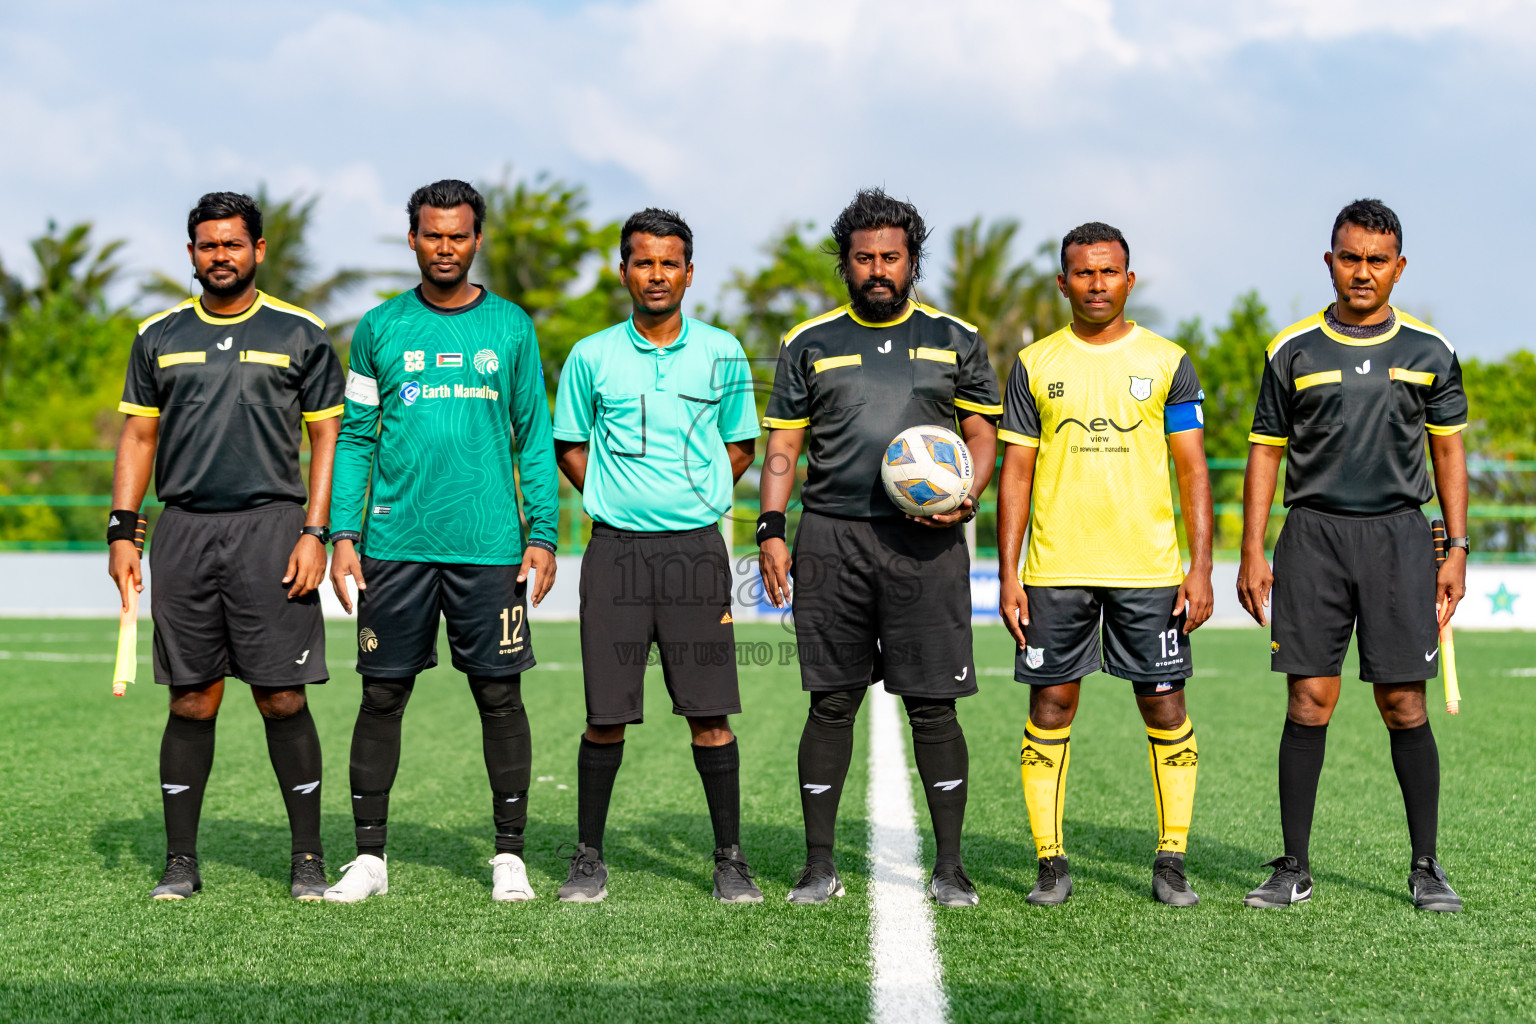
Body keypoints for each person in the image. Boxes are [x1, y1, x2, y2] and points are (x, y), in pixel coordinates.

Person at [758, 188, 1000, 907]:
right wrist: (772, 529)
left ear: (912, 261)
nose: (877, 270)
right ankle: (818, 863)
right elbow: (784, 445)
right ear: (846, 264)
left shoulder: (958, 339)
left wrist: (967, 494)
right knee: (830, 702)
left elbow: (983, 435)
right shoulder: (810, 343)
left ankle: (951, 866)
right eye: (864, 259)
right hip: (831, 539)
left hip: (927, 546)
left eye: (890, 257)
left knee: (934, 705)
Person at [323, 179, 560, 904]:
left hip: (489, 545)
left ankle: (508, 857)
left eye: (459, 235)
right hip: (395, 545)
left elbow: (534, 439)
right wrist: (343, 532)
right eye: (433, 235)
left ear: (477, 239)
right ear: (413, 239)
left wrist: (543, 535)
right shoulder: (379, 328)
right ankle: (369, 860)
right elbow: (357, 436)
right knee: (382, 694)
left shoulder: (512, 328)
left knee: (499, 695)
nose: (446, 247)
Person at [109, 191, 344, 901]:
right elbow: (139, 436)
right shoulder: (158, 335)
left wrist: (316, 532)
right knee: (192, 700)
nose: (220, 256)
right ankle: (181, 860)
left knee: (280, 696)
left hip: (273, 530)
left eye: (232, 244)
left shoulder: (300, 332)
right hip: (182, 531)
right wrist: (123, 528)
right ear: (191, 254)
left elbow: (327, 435)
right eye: (207, 245)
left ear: (258, 251)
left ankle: (307, 859)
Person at [1238, 199, 1468, 912]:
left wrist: (1455, 549)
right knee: (1309, 700)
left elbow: (1450, 450)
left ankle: (1426, 865)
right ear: (1329, 261)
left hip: (1401, 538)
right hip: (1313, 538)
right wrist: (1251, 550)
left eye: (1376, 259)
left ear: (1399, 267)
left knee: (1403, 702)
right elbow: (1264, 453)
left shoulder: (1430, 352)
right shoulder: (1293, 350)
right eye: (1349, 257)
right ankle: (1293, 866)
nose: (1361, 271)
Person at [995, 222, 1214, 907]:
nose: (1097, 285)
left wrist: (1200, 566)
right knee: (1052, 703)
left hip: (1148, 570)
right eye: (1083, 274)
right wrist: (1007, 574)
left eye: (1109, 272)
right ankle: (1051, 862)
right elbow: (1015, 475)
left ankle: (1171, 857)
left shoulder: (1170, 360)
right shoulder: (1034, 364)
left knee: (1164, 701)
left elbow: (1193, 470)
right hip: (1055, 568)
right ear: (1063, 282)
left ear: (1129, 280)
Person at [551, 209, 762, 903]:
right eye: (643, 262)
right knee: (605, 714)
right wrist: (616, 498)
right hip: (614, 553)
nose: (657, 275)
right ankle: (587, 857)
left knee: (709, 713)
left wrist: (695, 500)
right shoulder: (591, 355)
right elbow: (570, 446)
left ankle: (729, 858)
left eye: (670, 262)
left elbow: (741, 445)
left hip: (697, 553)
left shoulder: (723, 351)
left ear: (690, 273)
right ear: (623, 272)